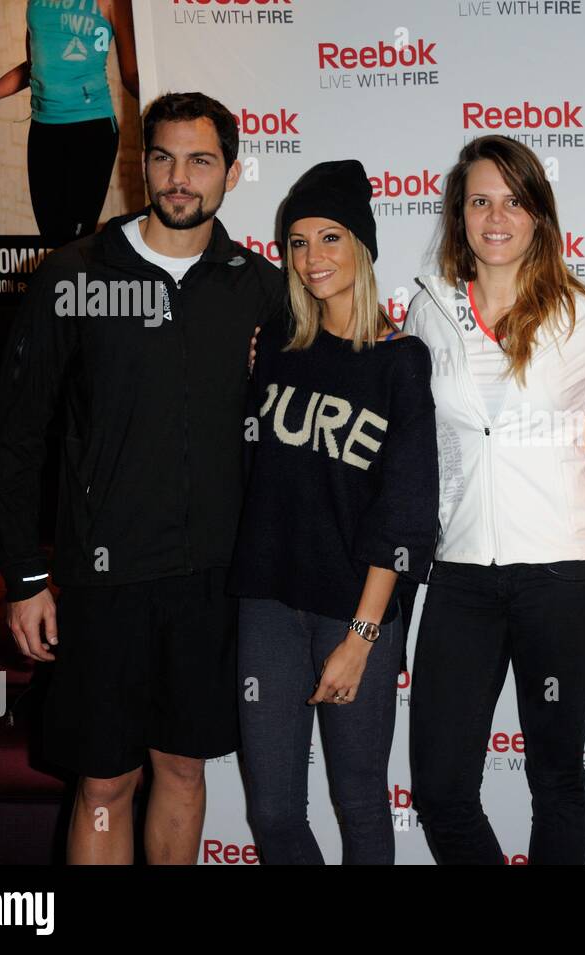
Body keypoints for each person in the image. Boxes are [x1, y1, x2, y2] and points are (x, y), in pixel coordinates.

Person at [0, 91, 283, 864]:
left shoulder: (260, 289)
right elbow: (17, 436)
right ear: (140, 164)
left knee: (184, 770)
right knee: (103, 784)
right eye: (163, 157)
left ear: (232, 171)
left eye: (200, 160)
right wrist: (25, 578)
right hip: (101, 583)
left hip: (210, 582)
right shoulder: (74, 275)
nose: (179, 178)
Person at [404, 134, 585, 865]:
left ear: (539, 214)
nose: (496, 217)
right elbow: (416, 442)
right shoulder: (429, 310)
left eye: (514, 200)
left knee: (555, 773)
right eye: (479, 201)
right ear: (458, 214)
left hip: (562, 576)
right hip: (463, 575)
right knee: (439, 787)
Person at [228, 161, 438, 865]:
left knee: (358, 801)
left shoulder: (400, 361)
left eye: (330, 237)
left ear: (363, 248)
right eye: (297, 242)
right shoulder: (275, 355)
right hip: (267, 601)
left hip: (355, 607)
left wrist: (362, 635)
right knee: (273, 809)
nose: (313, 257)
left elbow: (407, 511)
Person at [0, 0, 139, 246]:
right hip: (44, 132)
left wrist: (172, 114)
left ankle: (82, 283)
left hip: (91, 131)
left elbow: (132, 76)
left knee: (76, 240)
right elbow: (34, 67)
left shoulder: (112, 2)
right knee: (52, 238)